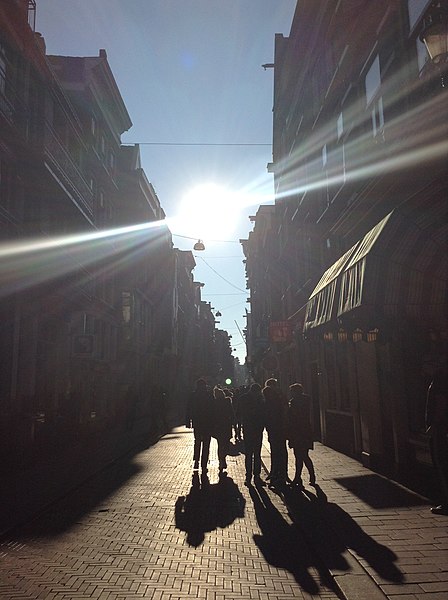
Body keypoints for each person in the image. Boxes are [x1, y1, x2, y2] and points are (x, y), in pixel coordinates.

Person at [425, 368, 448, 515]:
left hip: (441, 431)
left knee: (442, 465)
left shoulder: (440, 379)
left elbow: (441, 402)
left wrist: (435, 424)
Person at [287, 383, 316, 489]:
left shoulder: (294, 402)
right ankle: (310, 476)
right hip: (305, 431)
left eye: (292, 391)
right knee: (304, 455)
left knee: (299, 456)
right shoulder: (306, 400)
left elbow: (293, 417)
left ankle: (298, 478)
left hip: (298, 432)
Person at [262, 378, 288, 487]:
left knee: (277, 450)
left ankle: (278, 473)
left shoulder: (275, 399)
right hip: (277, 428)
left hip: (276, 428)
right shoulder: (280, 397)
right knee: (280, 450)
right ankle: (279, 472)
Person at [239, 382, 266, 486]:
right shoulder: (247, 398)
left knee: (256, 454)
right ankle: (249, 476)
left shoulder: (260, 399)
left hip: (256, 429)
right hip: (249, 429)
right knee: (250, 454)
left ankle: (256, 476)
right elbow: (240, 412)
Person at [186, 378, 213, 473]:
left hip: (197, 422)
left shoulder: (193, 395)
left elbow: (188, 408)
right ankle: (204, 463)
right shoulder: (209, 395)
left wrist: (188, 421)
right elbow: (213, 410)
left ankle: (196, 460)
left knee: (197, 442)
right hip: (207, 423)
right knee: (206, 444)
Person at [212, 386, 233, 472]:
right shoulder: (227, 401)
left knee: (221, 444)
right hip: (225, 425)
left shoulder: (214, 403)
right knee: (225, 443)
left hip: (218, 427)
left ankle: (221, 459)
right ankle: (222, 459)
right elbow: (231, 412)